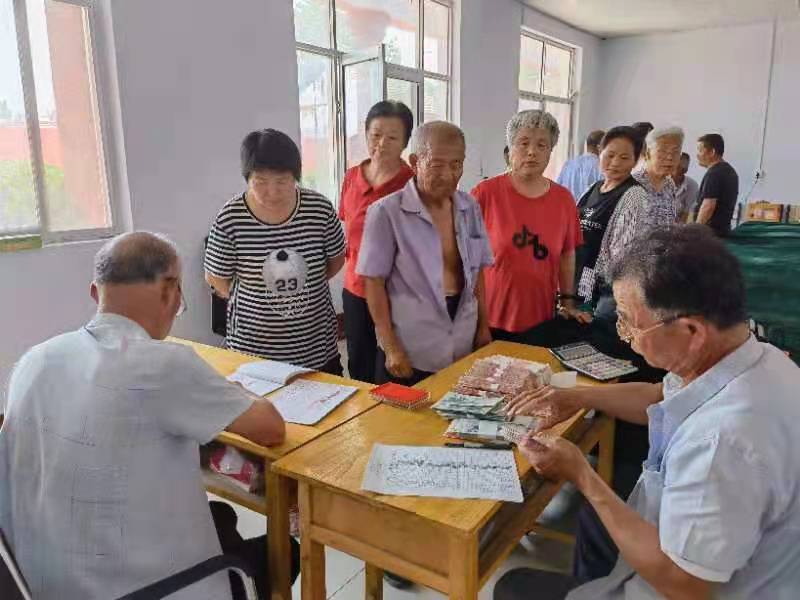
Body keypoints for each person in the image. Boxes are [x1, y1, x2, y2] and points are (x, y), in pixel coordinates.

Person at [497, 225, 800, 599]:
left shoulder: (723, 443)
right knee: (595, 522)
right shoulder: (755, 357)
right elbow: (659, 397)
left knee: (512, 587)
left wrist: (581, 475)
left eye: (628, 321)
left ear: (691, 330)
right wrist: (576, 398)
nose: (623, 335)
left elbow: (685, 584)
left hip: (686, 584)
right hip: (699, 543)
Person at [0, 232, 299, 600]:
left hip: (41, 583)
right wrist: (230, 390)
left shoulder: (33, 361)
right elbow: (269, 427)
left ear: (96, 293)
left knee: (222, 517)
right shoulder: (164, 364)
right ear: (169, 291)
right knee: (287, 550)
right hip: (145, 590)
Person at [357, 121, 494, 387]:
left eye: (457, 164)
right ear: (414, 161)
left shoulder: (469, 207)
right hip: (412, 342)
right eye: (437, 164)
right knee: (408, 422)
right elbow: (373, 283)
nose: (450, 174)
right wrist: (391, 346)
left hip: (462, 334)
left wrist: (483, 326)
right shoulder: (386, 212)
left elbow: (477, 271)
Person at [205, 129, 346, 374]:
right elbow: (216, 278)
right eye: (260, 182)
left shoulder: (319, 209)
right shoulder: (231, 217)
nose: (272, 192)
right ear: (247, 178)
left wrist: (302, 289)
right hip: (253, 349)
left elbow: (335, 260)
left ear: (296, 175)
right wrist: (260, 301)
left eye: (282, 181)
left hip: (315, 345)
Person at [471, 110, 585, 347]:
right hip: (489, 319)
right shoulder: (485, 194)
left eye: (541, 145)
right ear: (510, 148)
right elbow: (467, 259)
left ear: (550, 152)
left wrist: (567, 301)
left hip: (541, 318)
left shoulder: (564, 200)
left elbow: (567, 254)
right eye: (523, 143)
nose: (532, 151)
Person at [339, 101, 414, 384]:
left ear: (405, 142)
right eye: (375, 135)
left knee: (392, 365)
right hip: (355, 288)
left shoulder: (412, 184)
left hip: (396, 292)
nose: (382, 144)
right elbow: (348, 225)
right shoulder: (351, 177)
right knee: (358, 362)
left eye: (392, 137)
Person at [574, 126, 648, 307]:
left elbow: (623, 253)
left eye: (624, 158)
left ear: (635, 160)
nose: (615, 163)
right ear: (600, 152)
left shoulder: (634, 195)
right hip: (576, 277)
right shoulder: (593, 187)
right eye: (610, 155)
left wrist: (597, 286)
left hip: (602, 287)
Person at [630, 126, 682, 229]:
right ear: (648, 153)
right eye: (663, 151)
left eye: (675, 152)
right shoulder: (632, 184)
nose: (670, 157)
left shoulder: (670, 184)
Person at [693, 133, 739, 236]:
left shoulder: (714, 173)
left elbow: (708, 206)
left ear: (712, 152)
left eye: (700, 150)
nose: (697, 155)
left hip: (710, 234)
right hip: (723, 231)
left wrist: (695, 233)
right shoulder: (729, 171)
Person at [557, 129, 605, 202]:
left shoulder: (569, 164)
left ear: (587, 144)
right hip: (588, 211)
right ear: (601, 147)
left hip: (566, 209)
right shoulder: (601, 166)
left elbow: (557, 189)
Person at [673, 151, 699, 223]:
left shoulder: (692, 186)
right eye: (678, 167)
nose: (681, 171)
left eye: (684, 169)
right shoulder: (659, 181)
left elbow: (686, 214)